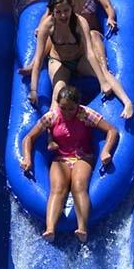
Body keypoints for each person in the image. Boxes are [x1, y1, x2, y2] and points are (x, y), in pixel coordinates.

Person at [19, 85, 119, 243]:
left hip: (83, 156)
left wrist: (106, 151)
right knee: (57, 188)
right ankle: (50, 229)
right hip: (61, 158)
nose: (66, 112)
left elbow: (112, 131)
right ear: (58, 104)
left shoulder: (85, 114)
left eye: (71, 108)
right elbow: (28, 138)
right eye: (63, 108)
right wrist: (27, 158)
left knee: (78, 185)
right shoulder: (52, 116)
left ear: (78, 105)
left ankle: (82, 228)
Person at [20, 0, 134, 119]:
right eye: (58, 12)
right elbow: (38, 60)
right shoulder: (47, 26)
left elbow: (89, 53)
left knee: (104, 73)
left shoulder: (80, 22)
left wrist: (102, 82)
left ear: (72, 8)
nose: (63, 15)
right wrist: (34, 90)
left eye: (66, 10)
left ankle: (127, 102)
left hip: (80, 59)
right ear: (52, 12)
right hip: (59, 62)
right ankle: (52, 129)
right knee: (57, 94)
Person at [48, 0, 134, 116]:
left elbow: (107, 6)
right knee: (51, 34)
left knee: (94, 38)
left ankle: (124, 97)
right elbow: (48, 13)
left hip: (89, 35)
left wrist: (110, 18)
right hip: (67, 47)